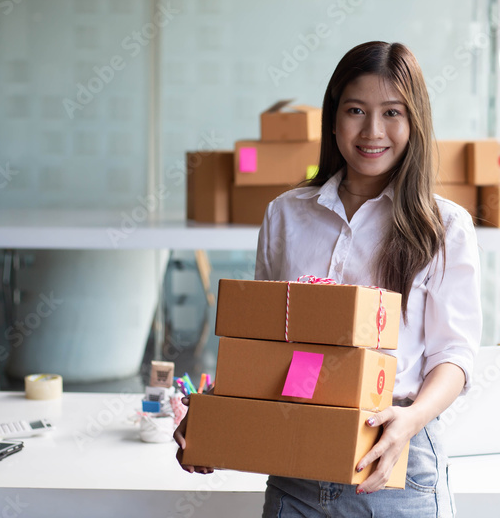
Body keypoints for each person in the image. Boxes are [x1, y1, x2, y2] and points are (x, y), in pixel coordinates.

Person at [175, 41, 483, 517]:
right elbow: (264, 343)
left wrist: (410, 419)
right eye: (356, 110)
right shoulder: (285, 214)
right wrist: (216, 415)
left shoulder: (444, 226)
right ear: (333, 116)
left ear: (414, 121)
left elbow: (455, 356)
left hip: (394, 460)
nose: (372, 131)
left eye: (392, 113)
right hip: (295, 460)